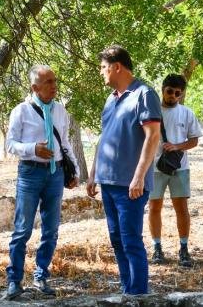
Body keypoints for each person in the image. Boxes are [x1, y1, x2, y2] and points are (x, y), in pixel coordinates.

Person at [87, 45, 161, 295]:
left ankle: (138, 293)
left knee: (131, 240)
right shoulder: (111, 99)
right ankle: (127, 289)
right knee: (117, 239)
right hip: (107, 182)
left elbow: (153, 137)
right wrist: (93, 173)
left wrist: (139, 176)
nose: (101, 73)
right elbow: (104, 138)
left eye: (103, 68)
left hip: (130, 185)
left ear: (117, 66)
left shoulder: (144, 94)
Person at [4, 65, 81, 299]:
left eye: (54, 80)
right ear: (34, 87)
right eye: (48, 82)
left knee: (51, 229)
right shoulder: (21, 111)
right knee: (22, 230)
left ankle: (41, 275)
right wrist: (32, 149)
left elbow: (65, 142)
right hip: (30, 173)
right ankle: (15, 281)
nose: (54, 85)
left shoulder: (60, 110)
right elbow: (10, 144)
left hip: (55, 174)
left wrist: (75, 169)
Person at [148, 74, 203, 267]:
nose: (173, 95)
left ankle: (184, 248)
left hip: (180, 167)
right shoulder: (152, 111)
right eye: (169, 91)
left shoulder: (186, 113)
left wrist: (177, 146)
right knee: (155, 207)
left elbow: (195, 140)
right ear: (163, 89)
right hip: (154, 167)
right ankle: (157, 247)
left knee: (182, 208)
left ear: (181, 94)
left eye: (177, 93)